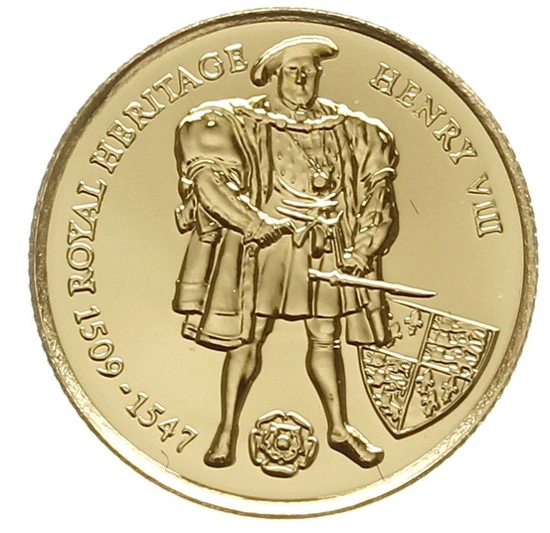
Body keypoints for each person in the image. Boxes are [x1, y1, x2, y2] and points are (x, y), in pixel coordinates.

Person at [172, 36, 399, 468]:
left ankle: (338, 429)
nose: (301, 80)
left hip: (325, 247)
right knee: (247, 337)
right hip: (268, 247)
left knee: (326, 337)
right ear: (274, 77)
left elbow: (378, 194)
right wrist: (254, 223)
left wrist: (362, 249)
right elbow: (208, 182)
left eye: (309, 72)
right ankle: (226, 430)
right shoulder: (235, 122)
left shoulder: (353, 129)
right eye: (292, 71)